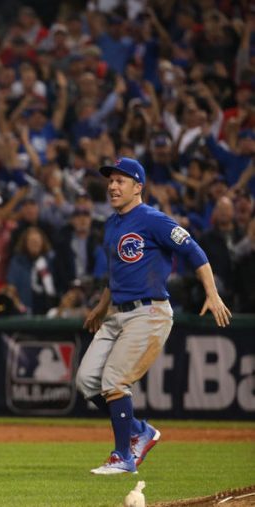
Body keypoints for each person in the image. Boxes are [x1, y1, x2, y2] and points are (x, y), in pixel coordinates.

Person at [77, 158, 231, 475]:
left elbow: (195, 252)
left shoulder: (153, 219)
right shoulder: (111, 224)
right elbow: (115, 273)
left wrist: (212, 293)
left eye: (121, 181)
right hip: (117, 312)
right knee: (86, 381)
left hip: (149, 311)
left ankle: (124, 457)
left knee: (114, 381)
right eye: (111, 181)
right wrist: (101, 306)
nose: (113, 186)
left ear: (138, 187)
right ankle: (139, 431)